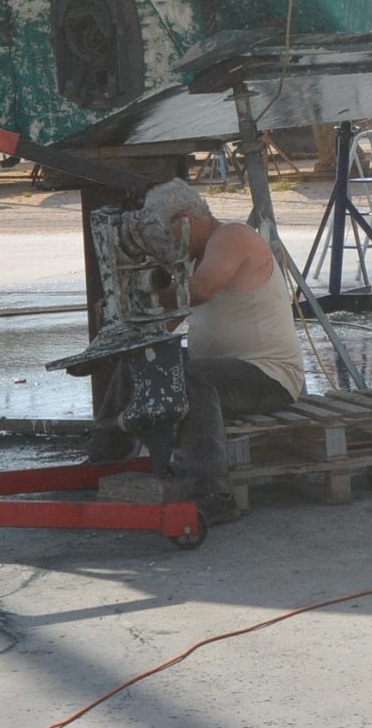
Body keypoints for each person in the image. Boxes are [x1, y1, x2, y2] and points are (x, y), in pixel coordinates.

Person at [89, 178, 302, 525]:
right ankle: (104, 457)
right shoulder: (195, 260)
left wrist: (144, 299)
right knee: (142, 359)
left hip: (269, 376)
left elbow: (201, 291)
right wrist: (123, 314)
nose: (166, 244)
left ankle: (213, 492)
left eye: (166, 233)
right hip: (222, 372)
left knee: (190, 377)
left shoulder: (232, 237)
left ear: (186, 219)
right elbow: (164, 326)